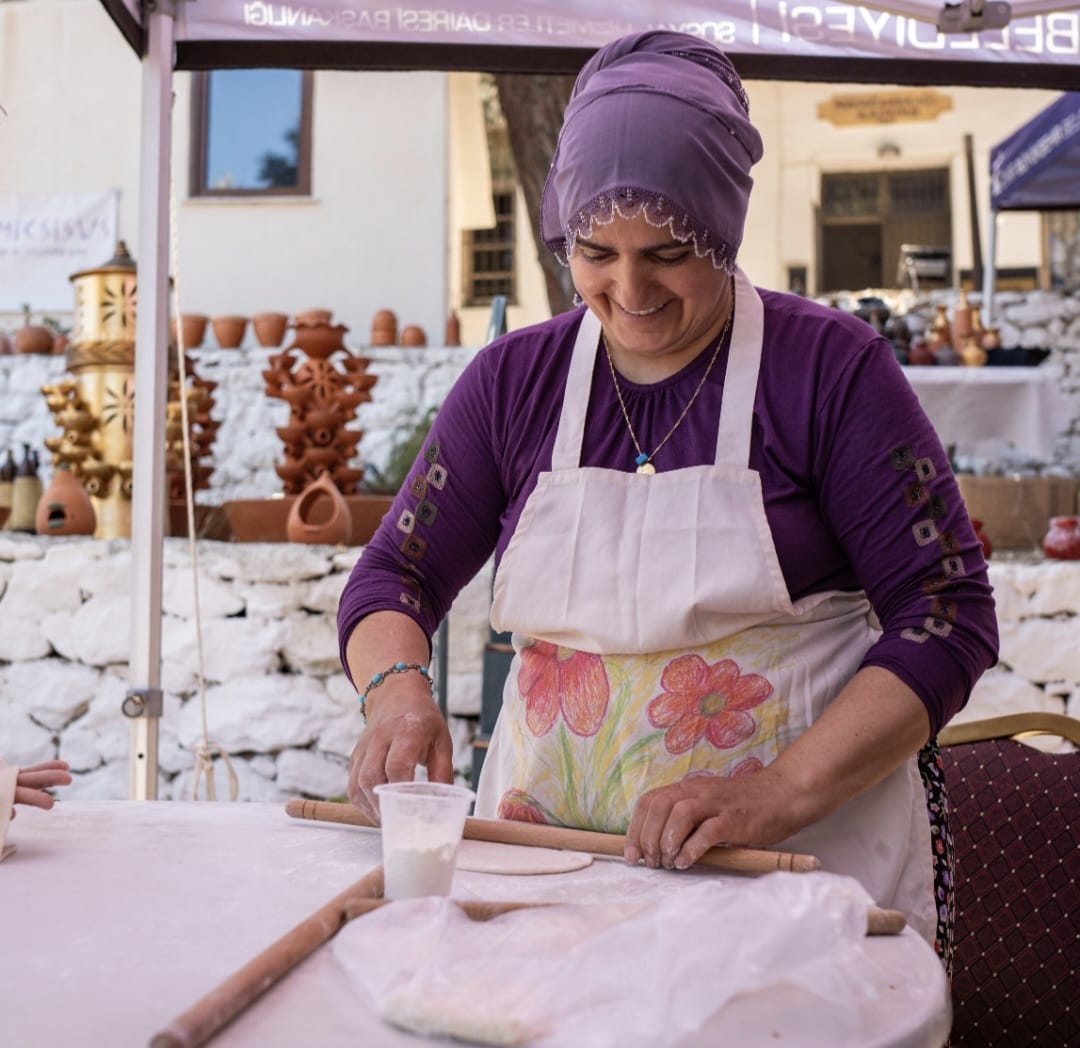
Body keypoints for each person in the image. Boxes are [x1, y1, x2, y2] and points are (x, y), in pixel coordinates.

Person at [338, 30, 998, 966]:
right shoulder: (512, 381)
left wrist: (776, 791)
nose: (629, 289)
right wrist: (397, 698)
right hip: (543, 876)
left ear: (725, 232)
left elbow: (945, 617)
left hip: (792, 876)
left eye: (670, 252)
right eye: (594, 252)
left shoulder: (831, 372)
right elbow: (394, 574)